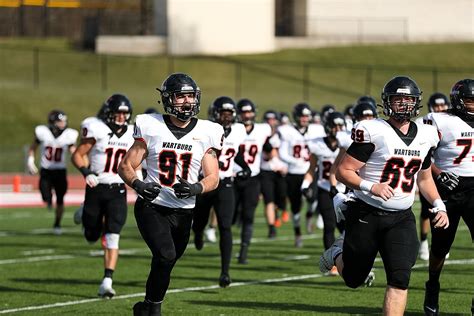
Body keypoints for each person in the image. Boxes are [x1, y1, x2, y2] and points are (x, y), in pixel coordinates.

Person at [320, 76, 449, 315]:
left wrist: (439, 204)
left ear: (416, 103)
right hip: (366, 212)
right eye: (397, 99)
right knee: (353, 278)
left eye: (408, 100)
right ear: (387, 102)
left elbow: (425, 177)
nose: (403, 105)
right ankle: (337, 252)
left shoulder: (427, 134)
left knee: (400, 278)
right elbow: (343, 171)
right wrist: (371, 186)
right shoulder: (373, 130)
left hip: (401, 217)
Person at [117, 73, 223, 316]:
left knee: (166, 262)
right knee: (165, 255)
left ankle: (145, 307)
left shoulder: (208, 131)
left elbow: (213, 177)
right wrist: (139, 185)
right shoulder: (151, 125)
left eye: (190, 96)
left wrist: (196, 188)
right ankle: (154, 311)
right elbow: (125, 166)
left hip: (184, 211)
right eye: (180, 96)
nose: (186, 102)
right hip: (152, 206)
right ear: (167, 99)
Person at [71, 94, 134, 298]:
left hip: (118, 189)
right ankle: (85, 212)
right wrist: (86, 172)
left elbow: (137, 162)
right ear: (108, 113)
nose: (122, 117)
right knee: (91, 234)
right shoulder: (96, 128)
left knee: (113, 234)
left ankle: (107, 280)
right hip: (96, 187)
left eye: (125, 113)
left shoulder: (132, 134)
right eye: (118, 113)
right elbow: (78, 154)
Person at [422, 79, 474, 315]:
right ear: (459, 101)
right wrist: (438, 174)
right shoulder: (439, 120)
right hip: (447, 187)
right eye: (471, 101)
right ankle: (433, 283)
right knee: (441, 245)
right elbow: (421, 152)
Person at [192, 96, 248, 287]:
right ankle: (198, 232)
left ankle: (225, 272)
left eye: (229, 114)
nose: (226, 117)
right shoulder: (205, 129)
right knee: (199, 220)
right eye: (222, 114)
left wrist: (245, 166)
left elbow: (235, 154)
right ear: (215, 114)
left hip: (225, 183)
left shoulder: (239, 131)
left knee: (225, 226)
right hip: (206, 183)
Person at [302, 111, 346, 275]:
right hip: (325, 190)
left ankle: (348, 257)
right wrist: (305, 185)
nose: (337, 129)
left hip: (345, 190)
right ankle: (333, 262)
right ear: (327, 126)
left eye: (340, 125)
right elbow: (311, 169)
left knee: (346, 228)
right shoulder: (317, 144)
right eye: (334, 125)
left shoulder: (349, 143)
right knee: (329, 226)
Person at [278, 102, 325, 247]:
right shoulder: (288, 131)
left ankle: (310, 215)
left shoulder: (316, 130)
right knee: (296, 206)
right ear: (296, 117)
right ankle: (297, 232)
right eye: (302, 116)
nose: (305, 119)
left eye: (307, 116)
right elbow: (282, 153)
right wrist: (296, 161)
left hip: (311, 172)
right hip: (295, 173)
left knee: (314, 198)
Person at [233, 98, 272, 264]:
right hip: (232, 177)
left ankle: (243, 251)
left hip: (252, 178)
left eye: (249, 112)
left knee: (249, 216)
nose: (247, 115)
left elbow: (270, 150)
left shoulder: (263, 130)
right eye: (244, 112)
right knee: (229, 217)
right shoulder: (232, 129)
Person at [27, 110, 78, 235]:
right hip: (46, 171)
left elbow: (74, 151)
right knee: (45, 196)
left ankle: (57, 223)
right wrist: (30, 161)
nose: (63, 124)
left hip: (60, 171)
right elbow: (33, 147)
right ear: (52, 122)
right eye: (60, 121)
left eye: (63, 121)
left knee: (60, 199)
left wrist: (81, 163)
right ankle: (49, 200)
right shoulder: (43, 132)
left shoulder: (68, 135)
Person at [416, 92, 451, 261]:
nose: (440, 109)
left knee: (446, 208)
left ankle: (442, 243)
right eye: (437, 106)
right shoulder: (422, 124)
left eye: (442, 105)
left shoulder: (453, 123)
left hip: (448, 174)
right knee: (426, 210)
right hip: (428, 171)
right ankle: (423, 241)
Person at [260, 110, 288, 237]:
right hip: (265, 171)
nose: (271, 122)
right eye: (268, 119)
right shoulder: (260, 135)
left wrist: (283, 166)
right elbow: (268, 156)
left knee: (281, 197)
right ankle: (271, 227)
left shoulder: (282, 135)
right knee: (268, 200)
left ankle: (280, 211)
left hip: (279, 172)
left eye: (273, 119)